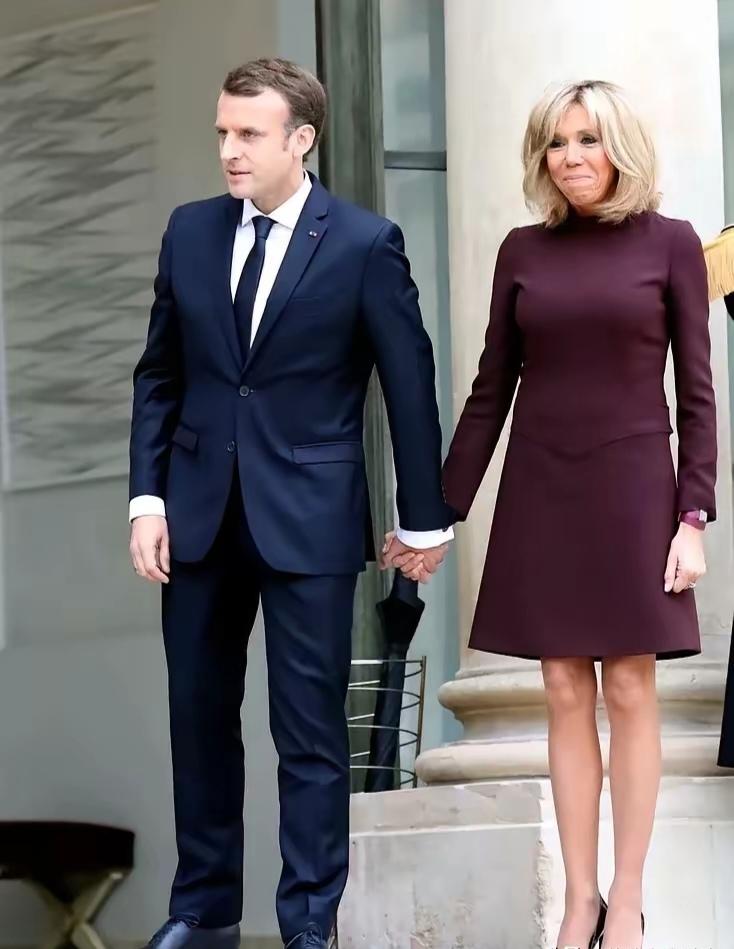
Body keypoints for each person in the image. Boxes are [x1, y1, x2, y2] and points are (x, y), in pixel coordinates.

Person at [129, 58, 452, 949]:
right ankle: (203, 912)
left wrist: (423, 516)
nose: (230, 150)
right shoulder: (189, 232)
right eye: (223, 133)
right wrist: (146, 497)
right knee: (198, 721)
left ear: (301, 139)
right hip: (197, 515)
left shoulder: (364, 243)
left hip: (309, 515)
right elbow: (160, 376)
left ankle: (309, 923)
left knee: (307, 730)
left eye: (249, 134)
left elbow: (409, 385)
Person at [388, 79, 717, 949]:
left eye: (586, 139)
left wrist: (693, 516)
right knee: (564, 687)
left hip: (636, 487)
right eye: (555, 143)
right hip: (542, 483)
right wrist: (437, 514)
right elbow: (490, 389)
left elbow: (697, 393)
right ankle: (580, 901)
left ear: (620, 147)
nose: (569, 157)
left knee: (631, 685)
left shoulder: (673, 244)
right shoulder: (522, 250)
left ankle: (628, 898)